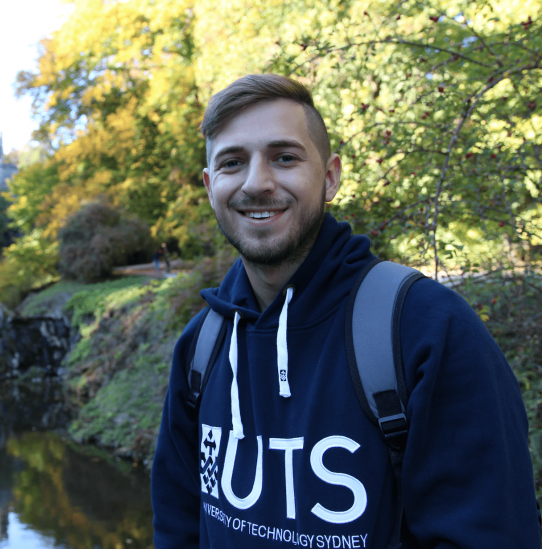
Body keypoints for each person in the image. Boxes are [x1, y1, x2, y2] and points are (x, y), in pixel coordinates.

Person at [150, 74, 539, 548]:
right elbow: (178, 527)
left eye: (285, 157)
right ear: (212, 186)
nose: (257, 182)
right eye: (233, 162)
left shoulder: (426, 330)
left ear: (330, 176)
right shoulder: (202, 347)